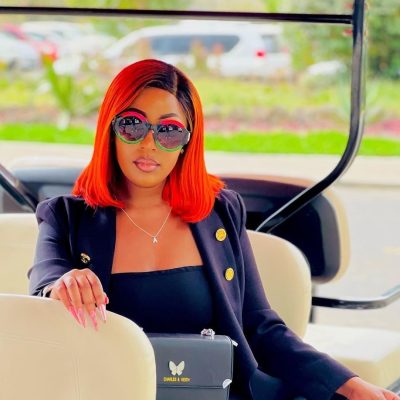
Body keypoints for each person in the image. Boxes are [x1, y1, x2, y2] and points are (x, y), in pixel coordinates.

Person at [28, 59, 399, 400]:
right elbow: (45, 282)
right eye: (132, 125)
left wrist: (351, 386)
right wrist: (63, 284)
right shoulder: (65, 217)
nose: (149, 144)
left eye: (169, 131)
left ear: (187, 142)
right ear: (110, 129)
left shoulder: (221, 211)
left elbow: (260, 326)